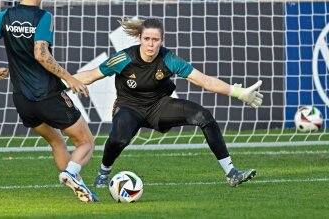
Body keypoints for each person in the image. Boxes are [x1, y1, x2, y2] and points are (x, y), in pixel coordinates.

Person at [73, 18, 263, 188]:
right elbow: (90, 76)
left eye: (155, 40)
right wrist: (61, 81)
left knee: (204, 116)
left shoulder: (169, 59)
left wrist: (237, 92)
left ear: (162, 41)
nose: (150, 44)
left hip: (159, 106)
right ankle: (103, 173)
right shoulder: (124, 58)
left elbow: (204, 81)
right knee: (118, 140)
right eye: (147, 39)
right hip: (129, 107)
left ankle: (231, 173)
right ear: (140, 38)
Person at [0, 0, 98, 203]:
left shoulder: (5, 17)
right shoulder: (43, 17)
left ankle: (78, 186)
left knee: (56, 141)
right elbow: (41, 54)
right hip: (48, 95)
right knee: (86, 142)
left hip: (22, 99)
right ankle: (71, 173)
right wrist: (69, 77)